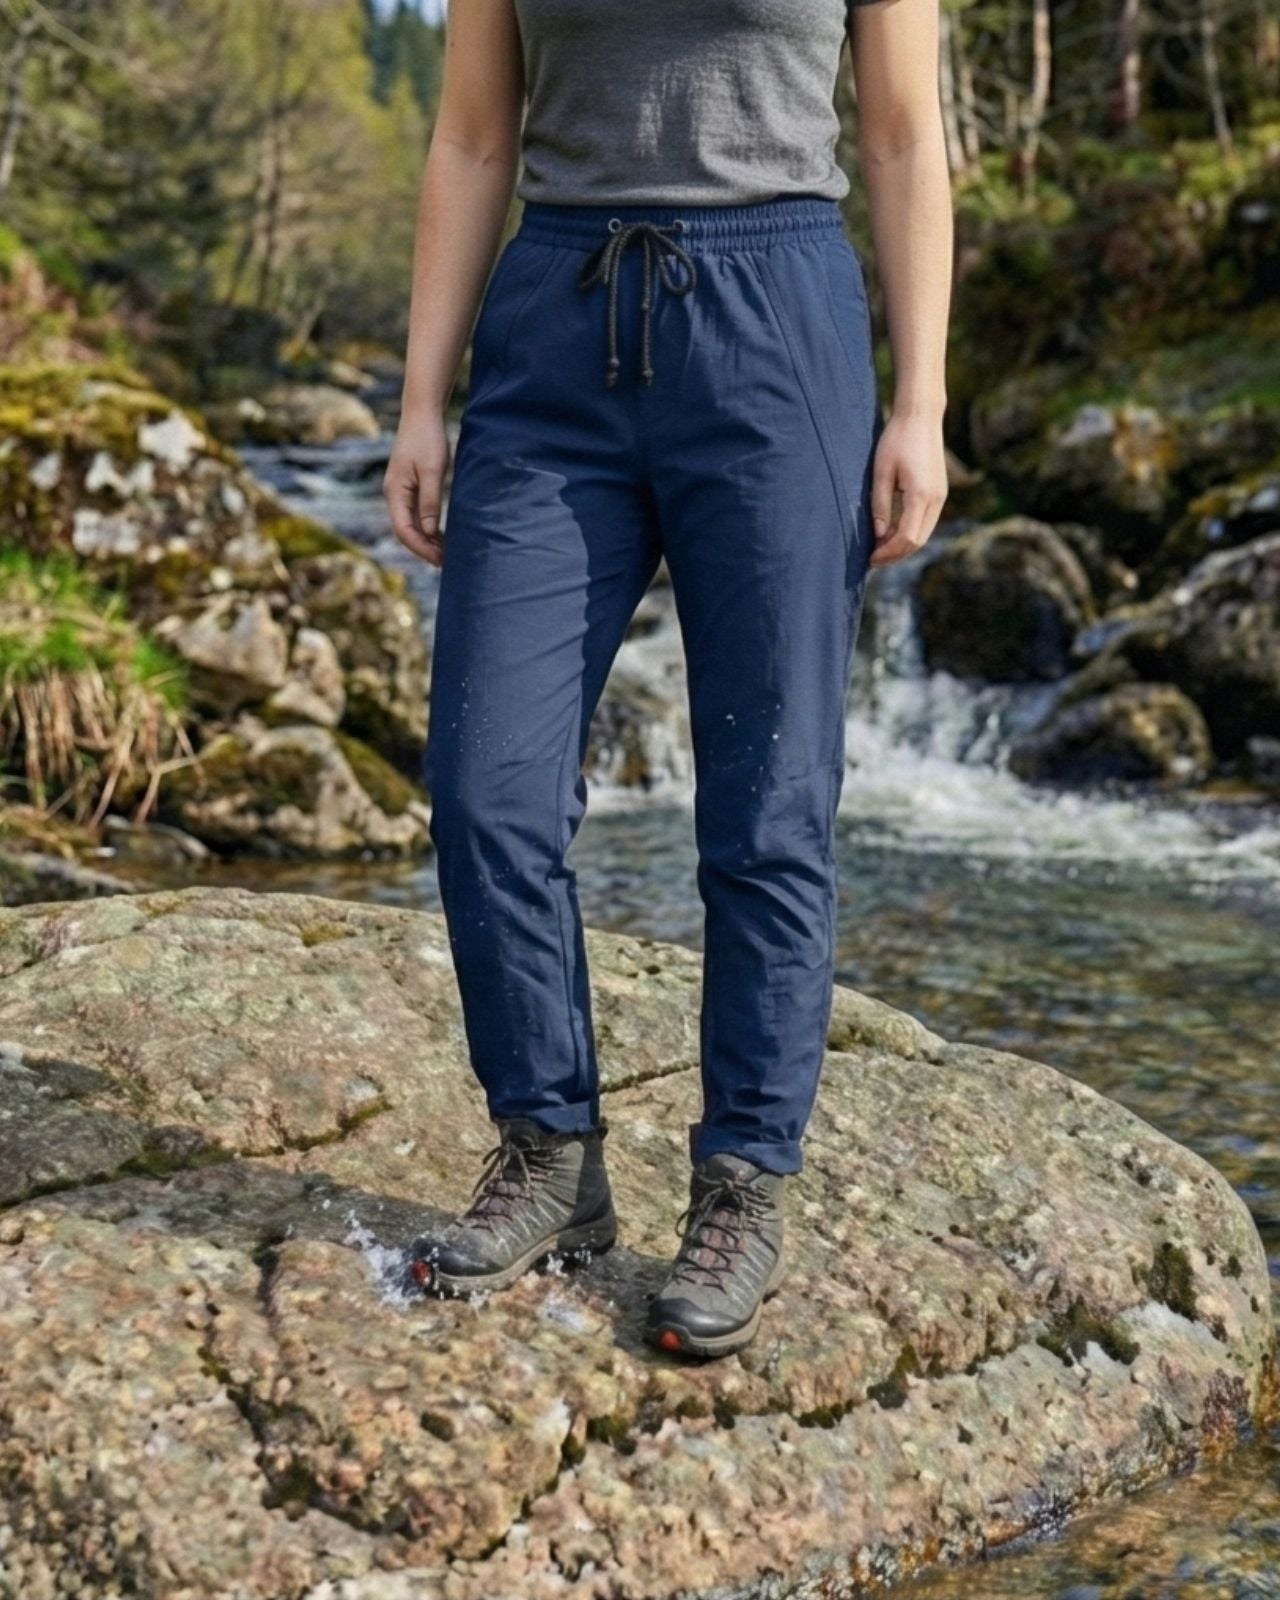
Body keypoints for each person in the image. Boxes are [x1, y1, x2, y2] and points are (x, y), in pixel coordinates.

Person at [383, 0, 951, 1359]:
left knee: (767, 805)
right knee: (485, 787)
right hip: (553, 338)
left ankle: (744, 1182)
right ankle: (549, 1153)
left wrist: (922, 404)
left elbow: (900, 132)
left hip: (779, 326)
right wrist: (420, 397)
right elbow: (472, 139)